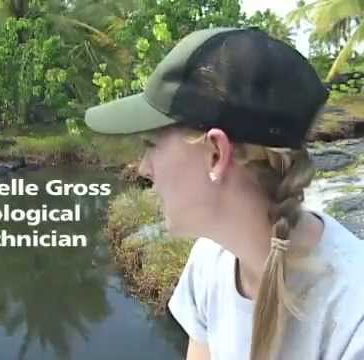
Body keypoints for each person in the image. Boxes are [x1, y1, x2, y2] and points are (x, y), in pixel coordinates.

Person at [83, 27, 364, 360]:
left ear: (216, 153)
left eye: (151, 145)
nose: (143, 168)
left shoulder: (353, 319)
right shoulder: (209, 261)